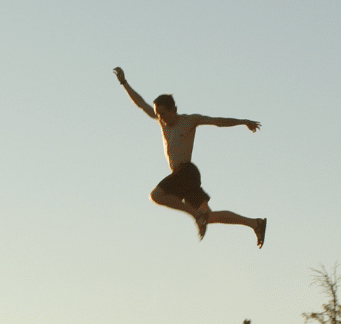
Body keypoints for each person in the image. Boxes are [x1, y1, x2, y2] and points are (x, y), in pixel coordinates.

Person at [112, 67, 266, 246]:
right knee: (209, 216)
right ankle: (255, 223)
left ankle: (196, 215)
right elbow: (141, 103)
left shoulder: (189, 121)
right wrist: (124, 83)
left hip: (186, 172)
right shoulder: (162, 123)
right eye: (158, 114)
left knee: (156, 196)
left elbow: (217, 122)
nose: (160, 118)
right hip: (183, 177)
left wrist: (243, 122)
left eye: (163, 113)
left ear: (173, 109)